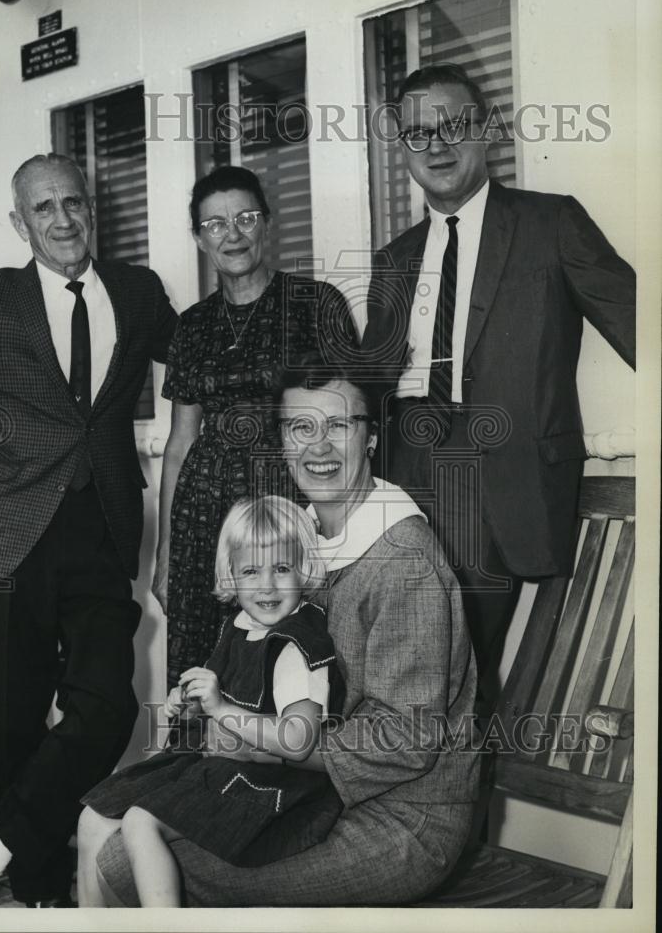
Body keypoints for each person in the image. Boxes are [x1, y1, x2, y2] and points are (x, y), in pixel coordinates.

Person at [0, 153, 178, 908]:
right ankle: (40, 888)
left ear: (93, 210)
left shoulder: (139, 292)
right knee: (14, 724)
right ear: (21, 222)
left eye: (73, 203)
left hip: (104, 524)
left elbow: (195, 362)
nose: (62, 219)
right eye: (43, 208)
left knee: (106, 705)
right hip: (5, 530)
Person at [91, 356, 479, 906]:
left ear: (370, 438)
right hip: (308, 789)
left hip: (400, 821)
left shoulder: (403, 561)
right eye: (302, 427)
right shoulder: (302, 538)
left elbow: (403, 741)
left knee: (126, 859)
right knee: (112, 822)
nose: (319, 448)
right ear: (283, 440)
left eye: (340, 426)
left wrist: (261, 742)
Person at [360, 62, 636, 714]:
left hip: (499, 484)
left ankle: (443, 813)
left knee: (451, 685)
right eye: (418, 132)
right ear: (401, 148)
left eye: (453, 124)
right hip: (408, 487)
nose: (436, 144)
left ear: (485, 130)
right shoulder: (394, 259)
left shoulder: (550, 225)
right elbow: (363, 385)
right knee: (402, 681)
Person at [77, 495, 345, 906]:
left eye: (282, 569)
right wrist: (192, 707)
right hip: (225, 764)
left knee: (140, 823)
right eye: (251, 571)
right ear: (231, 576)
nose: (266, 585)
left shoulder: (295, 645)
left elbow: (298, 740)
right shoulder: (239, 625)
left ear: (304, 569)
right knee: (92, 817)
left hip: (280, 789)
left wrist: (220, 709)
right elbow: (224, 704)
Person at [155, 165, 358, 689]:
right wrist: (165, 557)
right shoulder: (191, 326)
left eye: (245, 217)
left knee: (288, 661)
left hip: (286, 505)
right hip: (202, 516)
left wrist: (343, 531)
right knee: (201, 663)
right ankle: (199, 769)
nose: (233, 233)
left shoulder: (315, 305)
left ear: (267, 224)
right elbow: (180, 444)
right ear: (200, 238)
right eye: (215, 224)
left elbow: (347, 427)